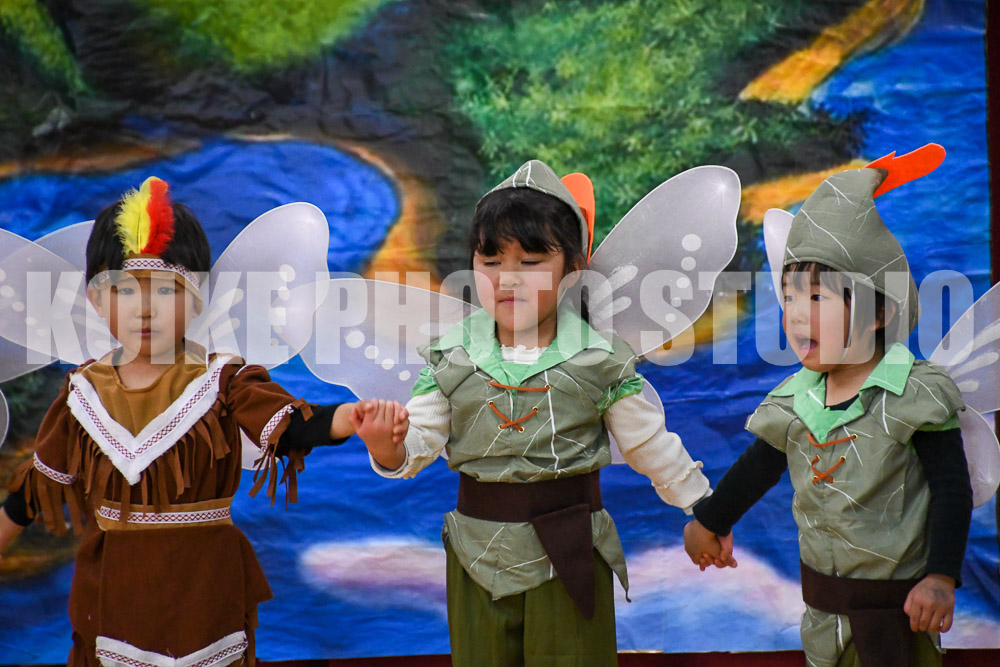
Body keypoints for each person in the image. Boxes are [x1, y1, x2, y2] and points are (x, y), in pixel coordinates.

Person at [0, 176, 403, 666]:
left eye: (166, 290)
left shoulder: (224, 381)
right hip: (112, 601)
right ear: (95, 300)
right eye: (124, 290)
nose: (144, 309)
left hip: (205, 595)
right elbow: (33, 492)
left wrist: (352, 418)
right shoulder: (81, 394)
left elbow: (293, 425)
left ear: (196, 300)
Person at [353, 160, 712, 666]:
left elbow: (649, 446)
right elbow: (419, 443)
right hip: (475, 558)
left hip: (571, 553)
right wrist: (387, 446)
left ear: (571, 269)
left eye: (530, 261)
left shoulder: (598, 358)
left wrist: (704, 511)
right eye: (491, 261)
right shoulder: (451, 356)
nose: (508, 280)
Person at [683, 161, 973, 667]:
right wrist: (709, 521)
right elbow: (757, 469)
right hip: (823, 620)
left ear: (879, 311)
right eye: (789, 297)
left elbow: (952, 489)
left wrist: (940, 577)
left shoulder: (913, 395)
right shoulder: (796, 401)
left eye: (817, 297)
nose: (796, 314)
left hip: (898, 620)